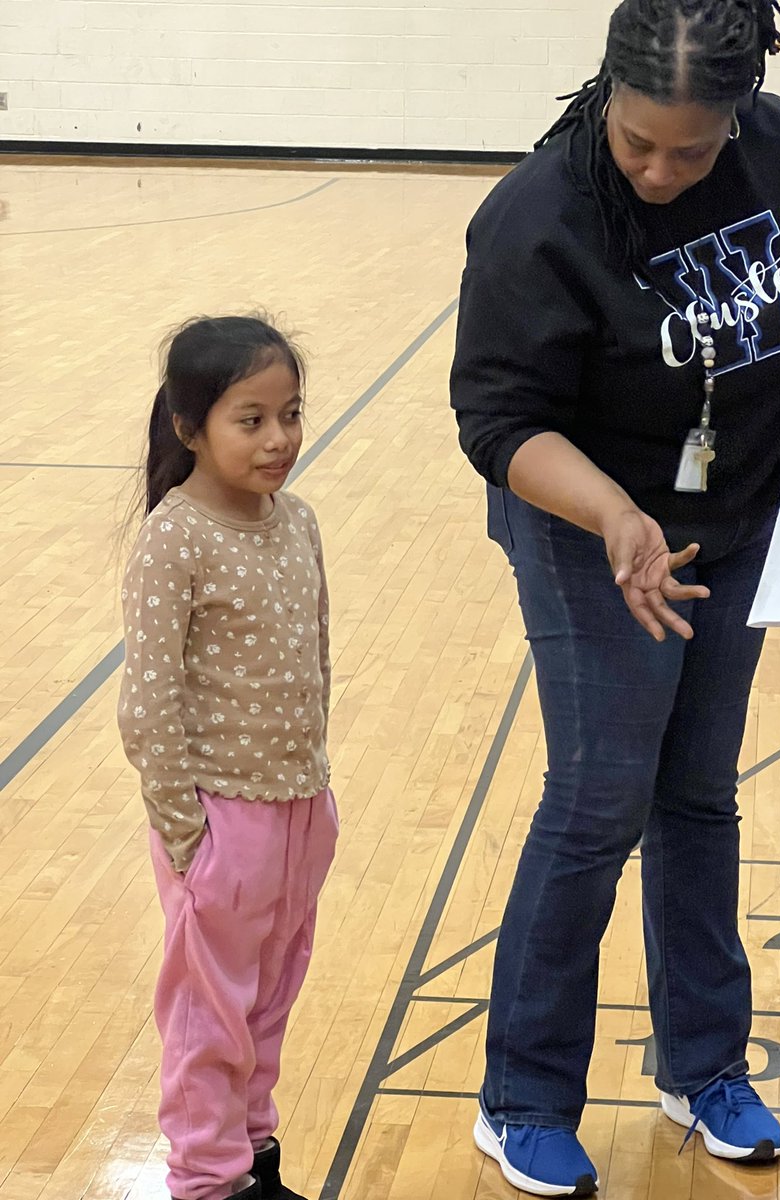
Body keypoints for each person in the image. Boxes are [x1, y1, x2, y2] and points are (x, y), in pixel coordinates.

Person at [450, 0, 780, 1195]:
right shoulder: (536, 217)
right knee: (596, 803)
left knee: (696, 796)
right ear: (604, 94)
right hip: (596, 533)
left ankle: (703, 1067)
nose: (656, 168)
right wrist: (617, 518)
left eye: (689, 152)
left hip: (737, 521)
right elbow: (498, 422)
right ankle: (525, 1095)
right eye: (639, 141)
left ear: (738, 119)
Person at [118, 316, 338, 1200]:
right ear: (189, 426)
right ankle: (207, 1181)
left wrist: (316, 790)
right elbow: (148, 703)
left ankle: (252, 1155)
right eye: (251, 419)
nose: (280, 437)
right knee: (210, 1017)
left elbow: (317, 656)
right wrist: (186, 835)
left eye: (290, 413)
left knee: (269, 999)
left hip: (300, 808)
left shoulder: (300, 522)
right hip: (223, 821)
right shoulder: (173, 540)